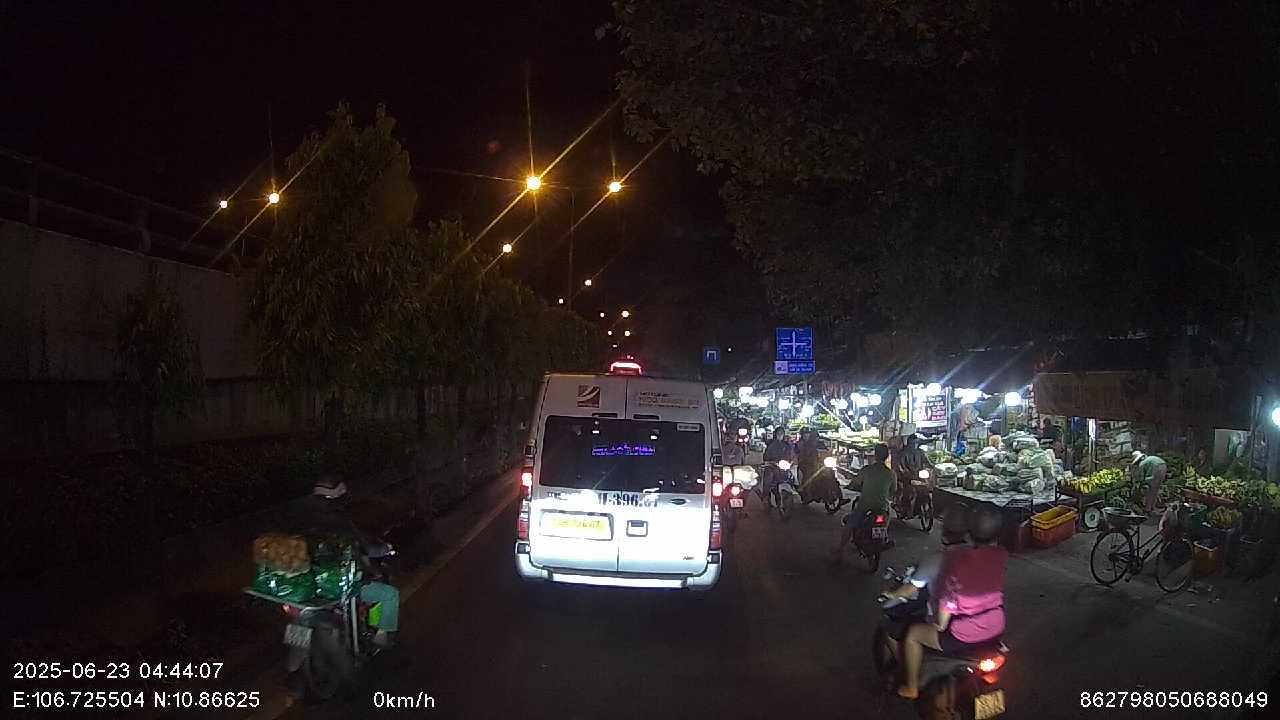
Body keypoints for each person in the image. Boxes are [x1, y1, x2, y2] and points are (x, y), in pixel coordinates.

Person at [897, 505, 1008, 700]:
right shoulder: (1001, 556)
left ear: (969, 533)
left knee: (913, 634)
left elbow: (948, 600)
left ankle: (911, 688)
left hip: (965, 632)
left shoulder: (958, 561)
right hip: (996, 625)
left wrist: (939, 624)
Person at [296, 474, 400, 648]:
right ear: (338, 497)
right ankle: (380, 638)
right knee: (388, 594)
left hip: (308, 586)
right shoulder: (339, 522)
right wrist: (385, 549)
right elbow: (365, 547)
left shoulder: (303, 519)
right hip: (335, 585)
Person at [833, 443, 896, 557]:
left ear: (875, 455)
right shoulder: (891, 473)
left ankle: (840, 550)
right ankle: (883, 539)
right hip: (882, 507)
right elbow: (893, 491)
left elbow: (855, 482)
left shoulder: (867, 470)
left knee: (849, 524)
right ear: (887, 456)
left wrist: (851, 485)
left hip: (865, 506)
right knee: (886, 519)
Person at [896, 435, 935, 514]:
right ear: (909, 443)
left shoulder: (920, 452)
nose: (914, 445)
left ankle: (919, 508)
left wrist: (933, 466)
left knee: (925, 488)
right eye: (912, 443)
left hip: (919, 475)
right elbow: (900, 465)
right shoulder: (903, 453)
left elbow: (927, 462)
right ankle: (904, 508)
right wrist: (904, 472)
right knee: (908, 491)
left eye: (915, 443)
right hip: (908, 476)